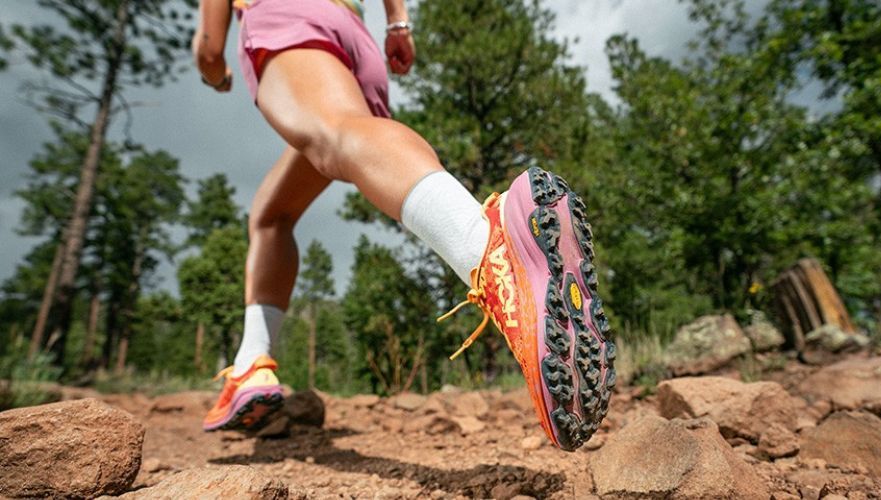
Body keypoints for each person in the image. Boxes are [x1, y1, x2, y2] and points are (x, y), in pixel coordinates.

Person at [192, 0, 614, 451]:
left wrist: (215, 73)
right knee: (272, 214)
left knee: (336, 131)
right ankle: (251, 364)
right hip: (355, 38)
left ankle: (488, 248)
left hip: (289, 15)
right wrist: (398, 23)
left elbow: (211, 49)